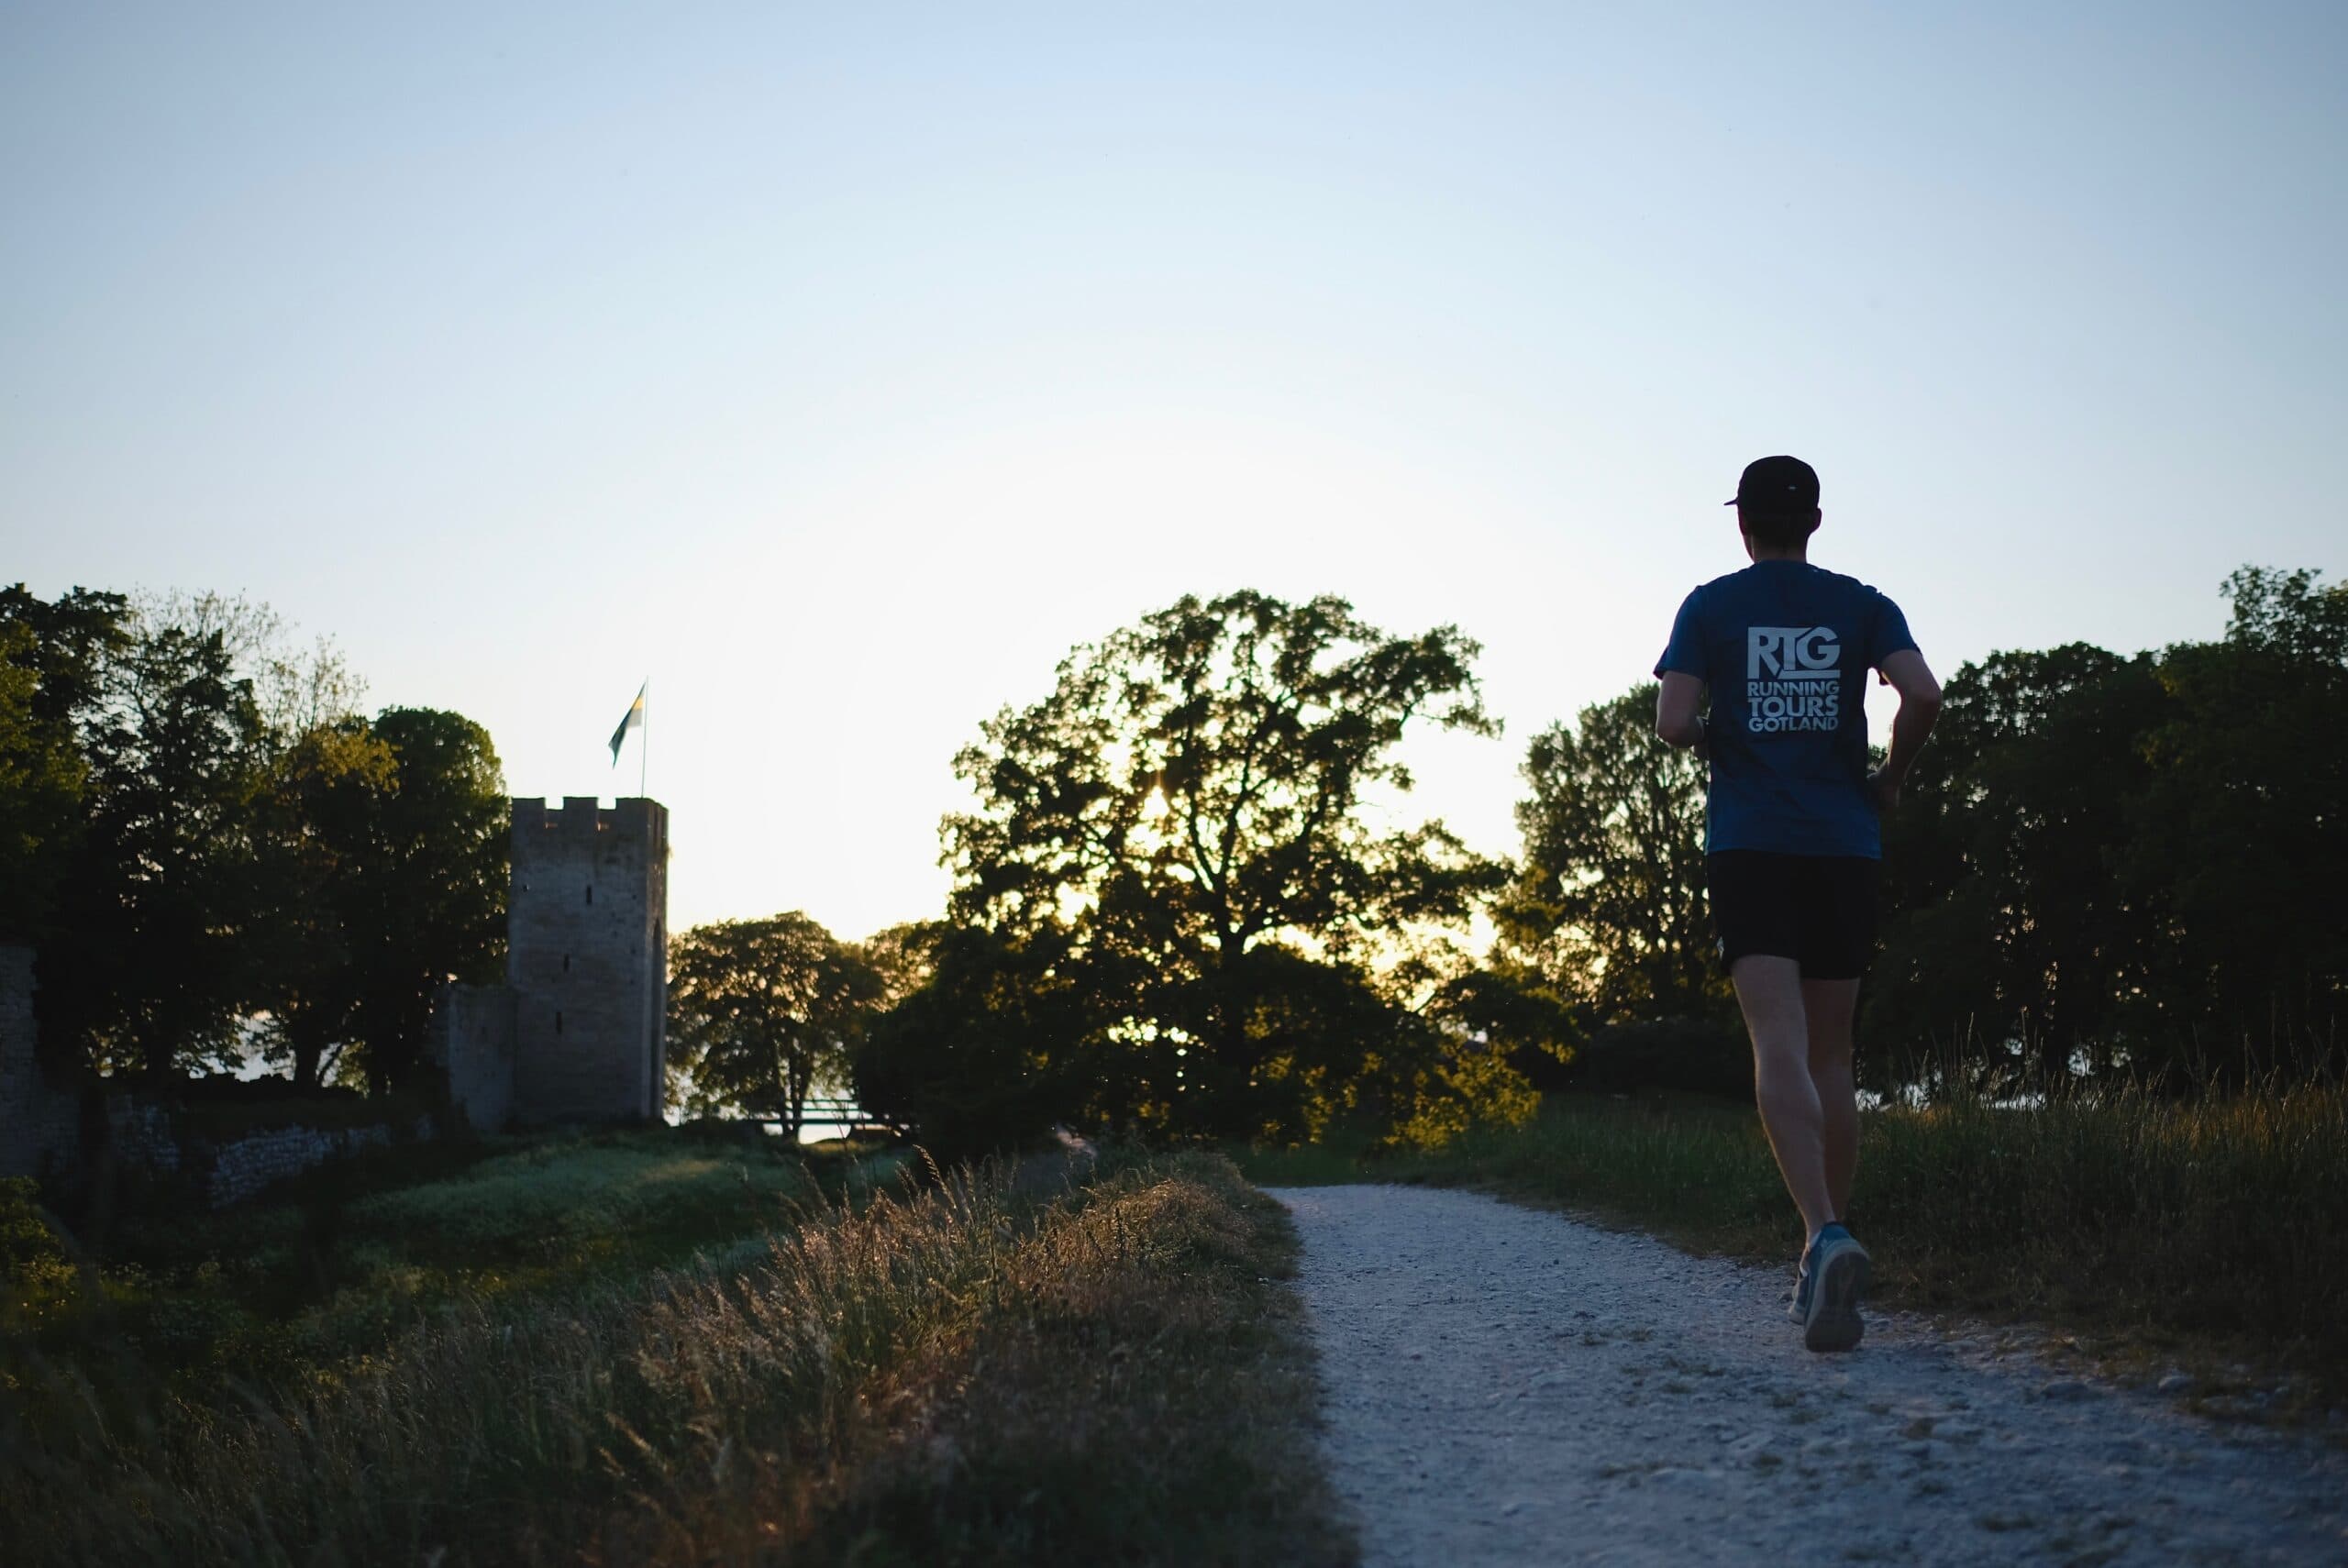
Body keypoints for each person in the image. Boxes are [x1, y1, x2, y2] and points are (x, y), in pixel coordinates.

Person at [1652, 455, 1941, 1353]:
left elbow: (1670, 722)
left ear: (1743, 525)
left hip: (1750, 844)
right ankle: (1827, 1241)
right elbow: (1923, 694)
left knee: (1774, 1044)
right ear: (1814, 522)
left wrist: (1715, 738)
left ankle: (1821, 1236)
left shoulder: (1709, 606)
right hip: (1842, 846)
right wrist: (1891, 778)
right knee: (1831, 1056)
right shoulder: (1862, 604)